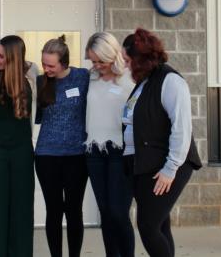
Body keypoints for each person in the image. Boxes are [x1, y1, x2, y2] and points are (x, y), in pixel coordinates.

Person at [121, 29, 202, 257]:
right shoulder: (145, 82)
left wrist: (170, 169)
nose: (126, 66)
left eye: (128, 60)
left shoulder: (170, 81)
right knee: (160, 225)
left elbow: (182, 129)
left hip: (166, 167)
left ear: (139, 59)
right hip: (145, 164)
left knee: (148, 226)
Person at [34, 35, 91, 257]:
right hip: (47, 155)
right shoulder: (40, 82)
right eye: (44, 64)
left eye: (51, 65)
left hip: (76, 155)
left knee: (74, 210)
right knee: (54, 210)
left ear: (64, 62)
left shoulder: (83, 77)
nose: (46, 68)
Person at [0, 35, 37, 257]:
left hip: (22, 150)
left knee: (22, 208)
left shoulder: (31, 75)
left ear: (14, 58)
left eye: (1, 56)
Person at [83, 32, 136, 257]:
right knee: (105, 212)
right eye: (92, 61)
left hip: (120, 152)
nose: (96, 66)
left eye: (100, 61)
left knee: (118, 212)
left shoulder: (130, 79)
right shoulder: (89, 78)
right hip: (93, 151)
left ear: (113, 55)